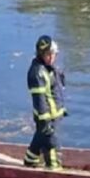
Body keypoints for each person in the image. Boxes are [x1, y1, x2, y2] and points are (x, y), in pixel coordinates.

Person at [24, 35, 67, 170]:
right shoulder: (37, 73)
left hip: (55, 113)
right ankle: (54, 168)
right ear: (41, 54)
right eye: (48, 55)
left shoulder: (50, 68)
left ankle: (30, 160)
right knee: (51, 141)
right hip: (47, 116)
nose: (51, 57)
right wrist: (45, 120)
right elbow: (40, 98)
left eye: (53, 54)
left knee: (40, 136)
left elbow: (57, 89)